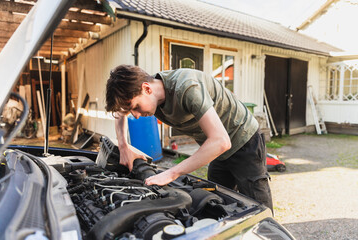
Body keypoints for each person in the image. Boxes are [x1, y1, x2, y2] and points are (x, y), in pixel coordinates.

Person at [105, 64, 273, 211]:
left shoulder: (187, 87)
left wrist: (171, 173)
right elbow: (121, 113)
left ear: (147, 88)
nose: (135, 115)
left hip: (244, 140)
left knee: (258, 206)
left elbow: (221, 141)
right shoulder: (146, 95)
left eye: (135, 107)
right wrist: (123, 146)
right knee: (215, 201)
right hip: (216, 148)